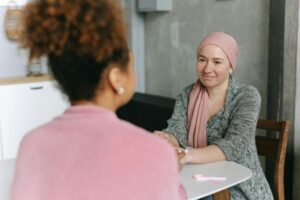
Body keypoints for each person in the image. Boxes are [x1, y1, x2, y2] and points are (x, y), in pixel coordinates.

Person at [10, 0, 186, 200]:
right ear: (116, 77)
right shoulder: (156, 153)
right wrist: (169, 172)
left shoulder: (33, 145)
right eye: (131, 63)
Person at [155, 32, 273, 200]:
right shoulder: (187, 94)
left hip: (239, 188)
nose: (207, 69)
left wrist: (186, 155)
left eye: (217, 62)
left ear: (231, 66)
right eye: (202, 60)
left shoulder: (246, 96)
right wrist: (167, 138)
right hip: (197, 179)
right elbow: (176, 130)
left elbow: (233, 145)